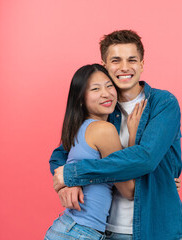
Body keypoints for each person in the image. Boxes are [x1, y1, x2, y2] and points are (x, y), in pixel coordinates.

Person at [50, 30, 182, 240]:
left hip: (156, 229)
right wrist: (66, 184)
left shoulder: (163, 103)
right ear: (105, 66)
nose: (124, 67)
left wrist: (74, 173)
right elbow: (61, 154)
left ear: (141, 64)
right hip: (107, 231)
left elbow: (146, 158)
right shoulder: (102, 109)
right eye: (116, 60)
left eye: (132, 60)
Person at [44, 64, 146, 240]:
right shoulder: (103, 130)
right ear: (81, 99)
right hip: (79, 233)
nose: (106, 94)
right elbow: (128, 190)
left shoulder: (79, 127)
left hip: (67, 229)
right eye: (95, 89)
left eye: (109, 86)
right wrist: (132, 136)